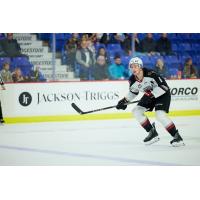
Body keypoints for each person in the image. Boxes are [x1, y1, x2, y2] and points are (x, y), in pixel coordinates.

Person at [116, 57, 184, 147]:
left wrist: (152, 95)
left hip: (162, 94)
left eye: (135, 66)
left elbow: (164, 87)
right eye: (131, 67)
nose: (133, 68)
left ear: (140, 67)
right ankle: (152, 133)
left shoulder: (151, 74)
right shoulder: (132, 80)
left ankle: (177, 137)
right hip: (149, 96)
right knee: (136, 111)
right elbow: (133, 92)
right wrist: (124, 101)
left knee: (159, 115)